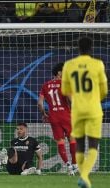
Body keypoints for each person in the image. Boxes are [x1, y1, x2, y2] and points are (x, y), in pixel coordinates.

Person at [61, 37, 108, 188]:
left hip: (78, 110)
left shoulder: (69, 65)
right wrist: (94, 98)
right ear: (91, 48)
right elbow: (104, 91)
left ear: (78, 48)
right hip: (94, 109)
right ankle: (84, 175)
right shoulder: (98, 64)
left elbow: (65, 91)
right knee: (93, 145)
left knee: (79, 145)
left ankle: (83, 176)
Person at [38, 62, 78, 175]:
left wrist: (44, 114)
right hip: (66, 115)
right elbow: (71, 99)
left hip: (53, 116)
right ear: (59, 72)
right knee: (72, 139)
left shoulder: (45, 85)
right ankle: (75, 164)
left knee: (60, 141)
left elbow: (40, 104)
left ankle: (68, 165)